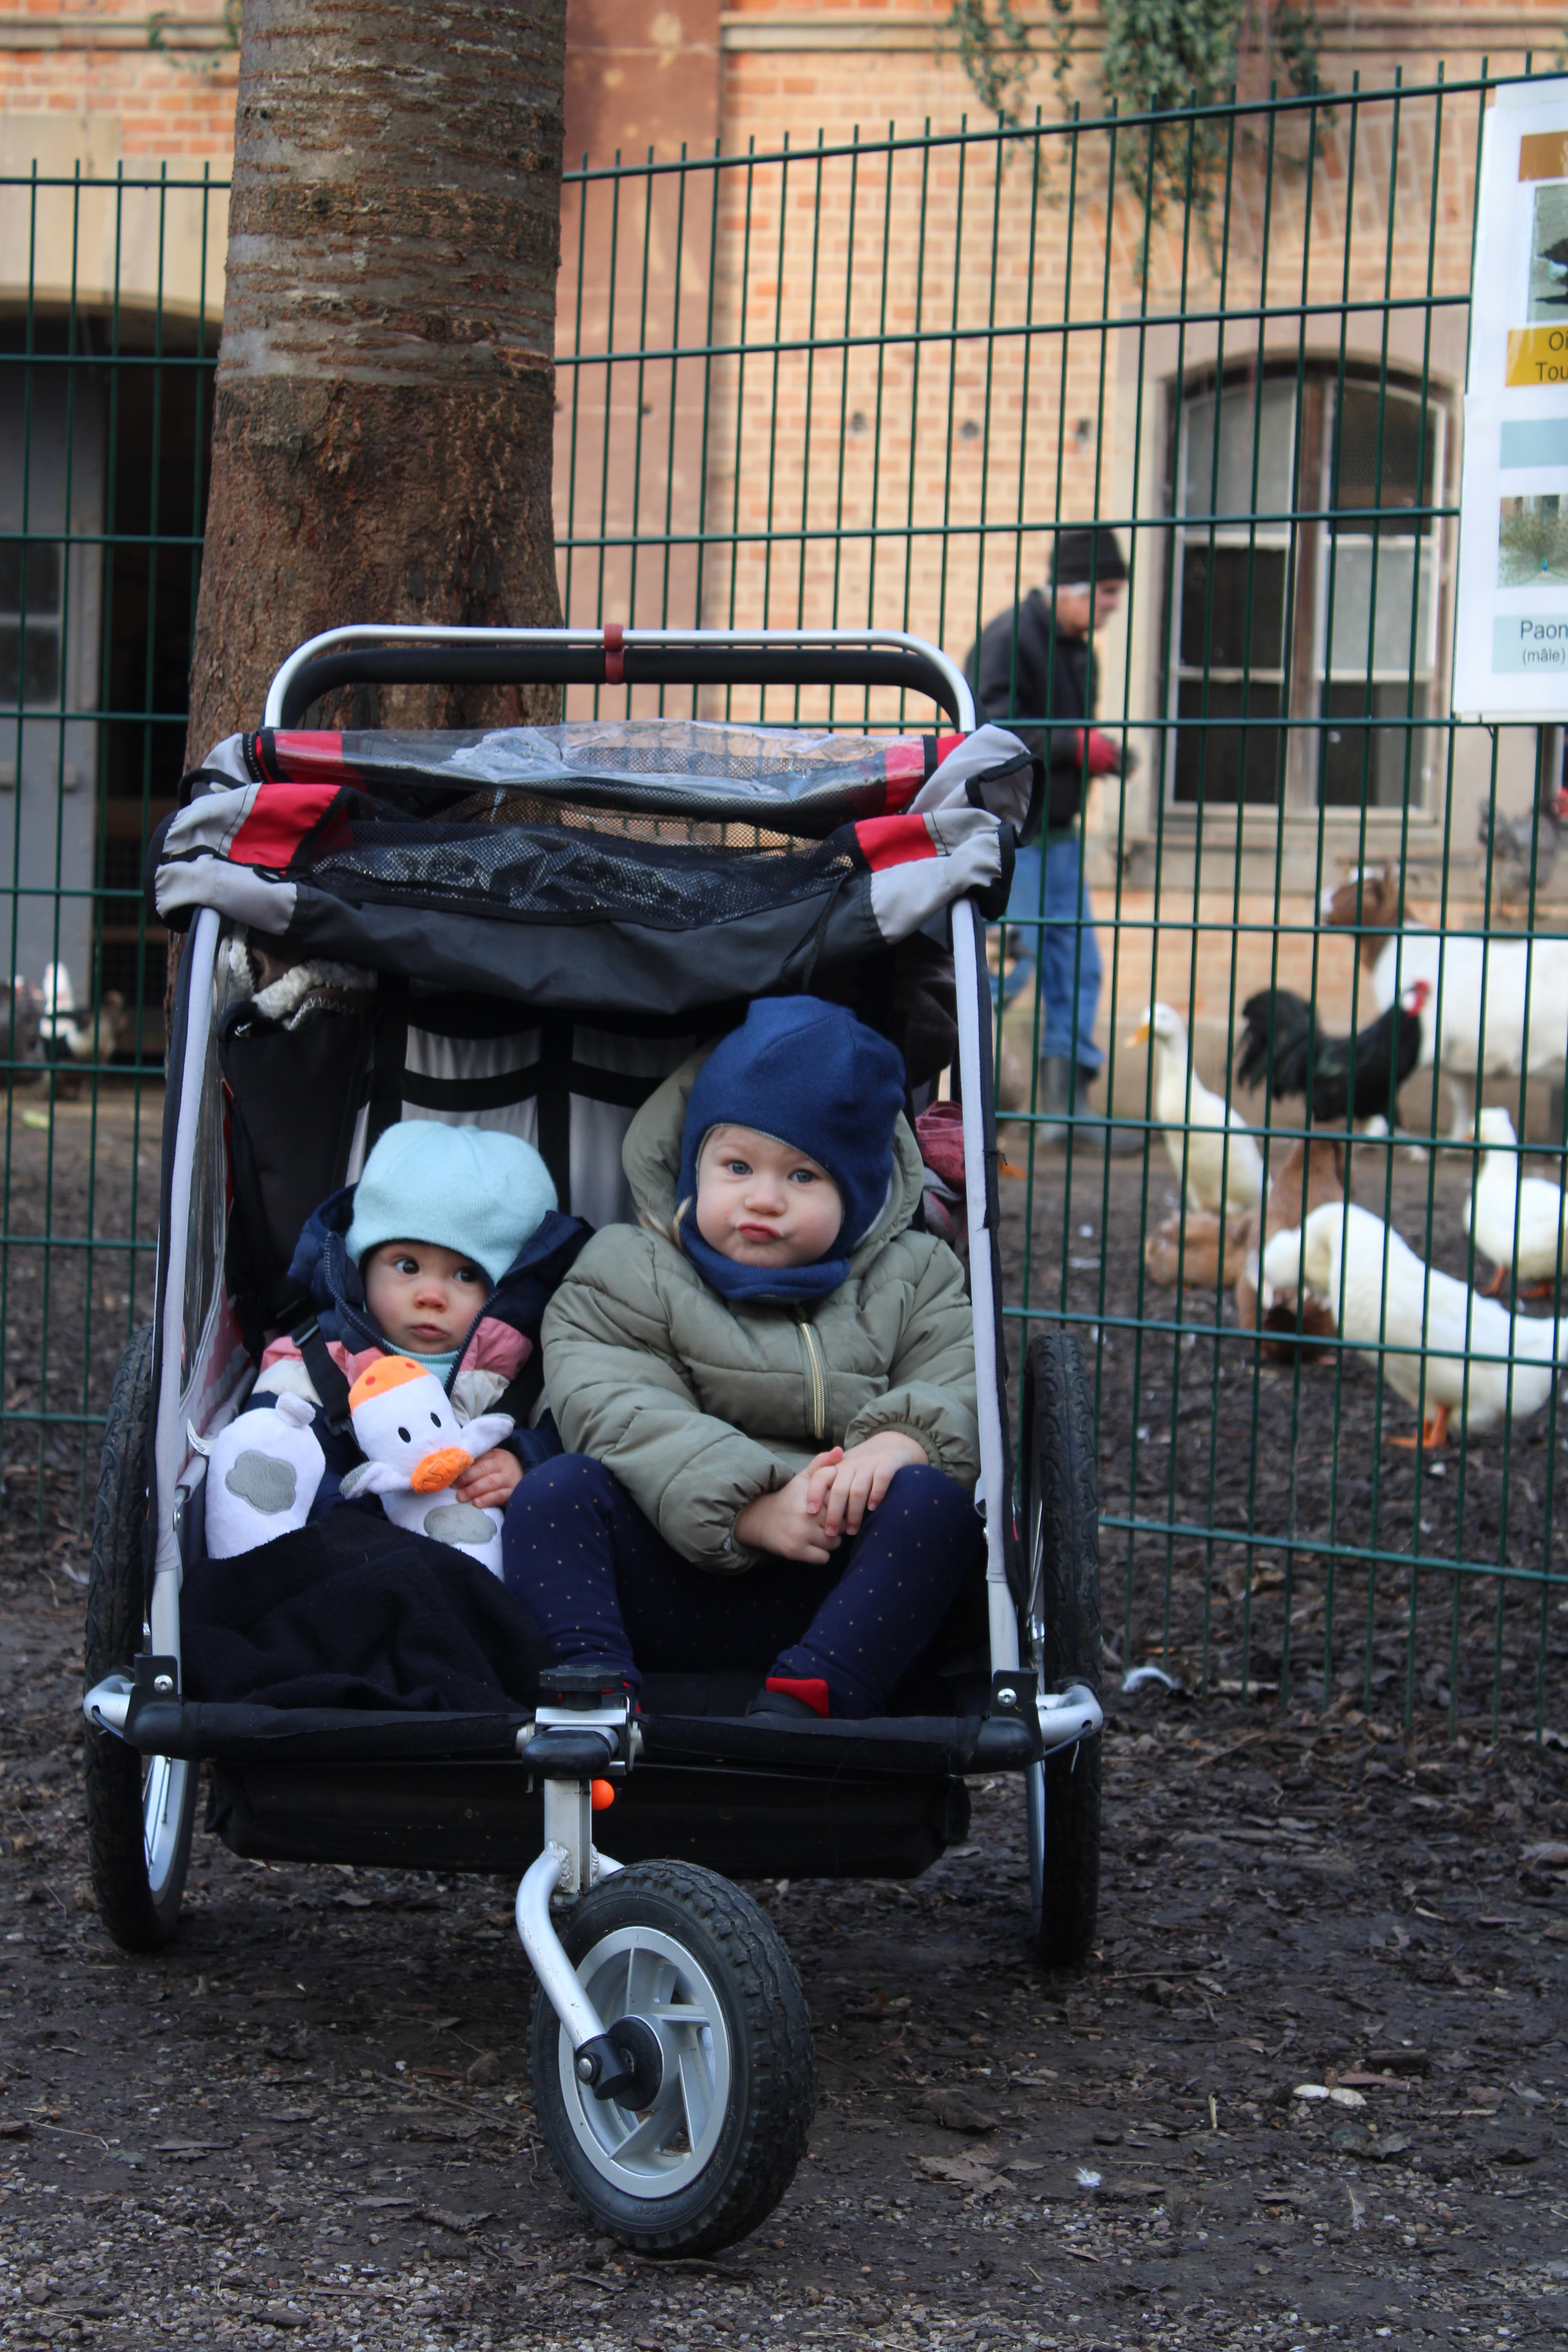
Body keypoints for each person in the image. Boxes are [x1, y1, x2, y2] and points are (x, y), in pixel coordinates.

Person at [501, 996, 984, 1720]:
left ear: (859, 1194)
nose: (763, 1199)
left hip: (841, 1591)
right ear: (694, 1169)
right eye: (736, 1166)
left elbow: (960, 1380)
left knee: (935, 1505)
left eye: (803, 1177)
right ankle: (592, 1685)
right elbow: (618, 1406)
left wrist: (900, 1442)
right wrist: (752, 1509)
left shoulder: (916, 1275)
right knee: (553, 1492)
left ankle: (817, 1694)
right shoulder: (630, 1266)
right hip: (671, 1570)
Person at [250, 1119, 592, 1519]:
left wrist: (527, 1462)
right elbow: (274, 1450)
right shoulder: (316, 1362)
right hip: (347, 1538)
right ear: (360, 1268)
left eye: (466, 1275)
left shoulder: (537, 1376)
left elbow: (579, 1447)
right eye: (408, 1266)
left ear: (511, 1292)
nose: (431, 1296)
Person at [968, 524, 1138, 1151]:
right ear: (1071, 586)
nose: (1113, 607)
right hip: (1018, 836)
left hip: (1061, 834)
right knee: (1011, 963)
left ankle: (1069, 1108)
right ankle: (968, 1091)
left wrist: (1100, 753)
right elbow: (988, 730)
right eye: (1106, 593)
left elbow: (1062, 738)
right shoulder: (1010, 638)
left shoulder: (1079, 652)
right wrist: (1074, 746)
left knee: (1078, 967)